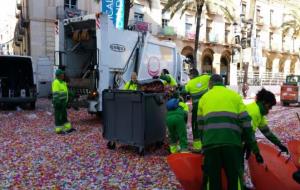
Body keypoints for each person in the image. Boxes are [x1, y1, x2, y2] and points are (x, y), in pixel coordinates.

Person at [197, 74, 263, 190]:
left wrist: (204, 145)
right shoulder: (235, 96)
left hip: (211, 145)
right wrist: (254, 149)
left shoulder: (204, 98)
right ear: (222, 83)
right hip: (232, 144)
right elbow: (247, 123)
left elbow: (200, 126)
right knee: (235, 179)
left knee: (212, 181)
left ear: (210, 84)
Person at [244, 88, 288, 157]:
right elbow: (248, 134)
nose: (270, 108)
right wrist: (256, 152)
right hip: (233, 139)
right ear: (264, 102)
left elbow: (267, 132)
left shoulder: (259, 112)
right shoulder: (254, 112)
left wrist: (279, 144)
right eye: (270, 105)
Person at [184, 68, 210, 152]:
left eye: (189, 75)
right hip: (207, 106)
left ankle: (198, 147)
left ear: (191, 75)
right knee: (207, 123)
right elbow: (214, 78)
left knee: (195, 125)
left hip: (197, 108)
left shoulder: (189, 84)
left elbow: (184, 91)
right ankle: (208, 143)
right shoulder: (205, 77)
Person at [52, 69, 74, 134]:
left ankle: (67, 127)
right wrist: (57, 102)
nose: (63, 75)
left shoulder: (63, 82)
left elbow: (65, 91)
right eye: (62, 74)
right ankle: (58, 129)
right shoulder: (56, 82)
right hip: (59, 103)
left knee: (64, 115)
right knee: (58, 116)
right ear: (59, 75)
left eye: (63, 74)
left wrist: (71, 94)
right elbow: (55, 93)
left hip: (63, 103)